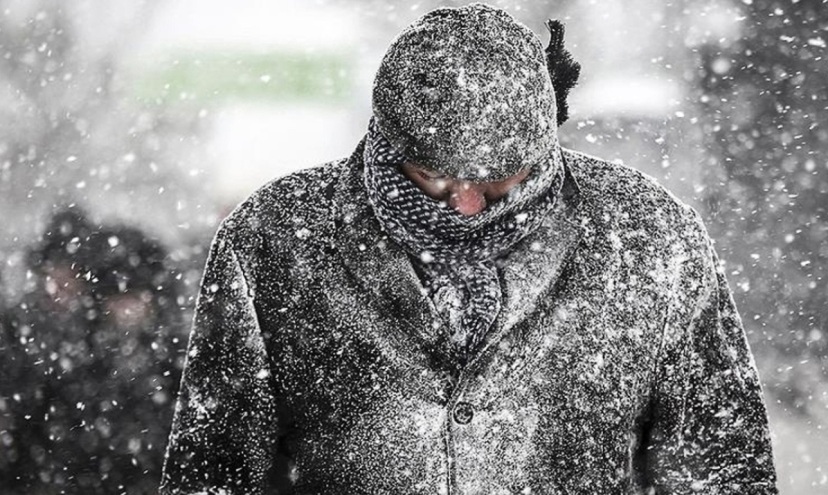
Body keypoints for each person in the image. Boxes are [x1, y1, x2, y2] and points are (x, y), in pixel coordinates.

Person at [161, 4, 778, 493]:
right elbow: (212, 471)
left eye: (496, 181)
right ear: (386, 142)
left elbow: (719, 465)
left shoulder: (649, 240)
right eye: (433, 177)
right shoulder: (276, 239)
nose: (466, 205)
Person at [0, 206, 184, 494]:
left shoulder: (176, 360)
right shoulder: (69, 358)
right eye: (117, 295)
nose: (127, 309)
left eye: (135, 294)